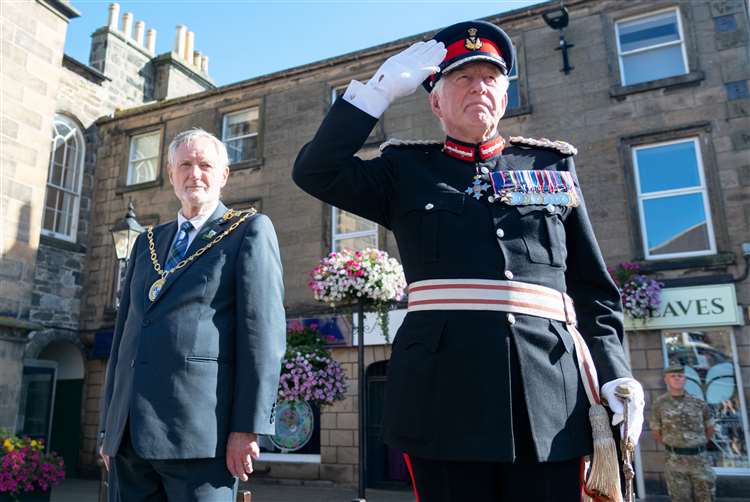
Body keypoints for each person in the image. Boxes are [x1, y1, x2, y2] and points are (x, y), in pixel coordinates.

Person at [293, 20, 645, 501]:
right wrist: (377, 93)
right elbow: (316, 171)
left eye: (490, 78)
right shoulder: (404, 170)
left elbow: (591, 288)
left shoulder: (551, 167)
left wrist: (615, 374)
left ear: (505, 95)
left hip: (549, 398)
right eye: (462, 77)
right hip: (443, 398)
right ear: (435, 100)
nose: (478, 86)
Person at [99, 129, 286, 501]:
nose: (194, 174)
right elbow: (123, 339)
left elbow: (263, 337)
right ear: (171, 174)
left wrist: (247, 428)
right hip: (130, 440)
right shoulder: (146, 242)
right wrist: (109, 427)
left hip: (201, 437)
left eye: (205, 165)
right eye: (185, 164)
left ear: (224, 175)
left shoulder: (247, 230)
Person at [651, 365, 716, 502]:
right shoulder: (659, 404)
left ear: (685, 379)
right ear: (666, 380)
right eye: (672, 376)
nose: (676, 379)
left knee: (706, 497)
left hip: (700, 461)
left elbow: (710, 428)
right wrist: (675, 445)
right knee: (680, 498)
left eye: (680, 376)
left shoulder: (698, 402)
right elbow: (656, 432)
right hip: (675, 462)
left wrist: (696, 444)